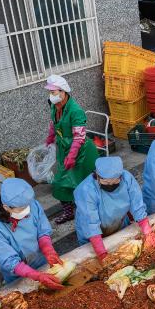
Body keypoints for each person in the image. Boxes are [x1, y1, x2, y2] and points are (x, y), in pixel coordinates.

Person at [74, 157, 155, 261]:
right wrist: (102, 253)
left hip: (119, 224)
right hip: (93, 235)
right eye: (106, 183)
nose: (110, 185)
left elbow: (137, 204)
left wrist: (147, 230)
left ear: (120, 176)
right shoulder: (86, 190)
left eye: (115, 182)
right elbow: (90, 223)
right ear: (97, 175)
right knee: (91, 260)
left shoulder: (127, 178)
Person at [0, 178, 64, 289]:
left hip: (40, 259)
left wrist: (48, 250)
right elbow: (9, 261)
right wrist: (36, 275)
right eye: (21, 209)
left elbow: (42, 230)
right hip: (18, 273)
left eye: (27, 206)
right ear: (6, 207)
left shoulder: (32, 205)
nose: (27, 210)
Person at [44, 74, 98, 224]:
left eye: (53, 92)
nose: (51, 95)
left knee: (85, 182)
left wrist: (73, 155)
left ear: (63, 92)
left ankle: (89, 211)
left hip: (81, 153)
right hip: (64, 149)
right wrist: (49, 139)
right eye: (50, 92)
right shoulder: (55, 106)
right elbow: (54, 124)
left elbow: (79, 137)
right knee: (61, 183)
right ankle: (69, 212)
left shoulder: (75, 111)